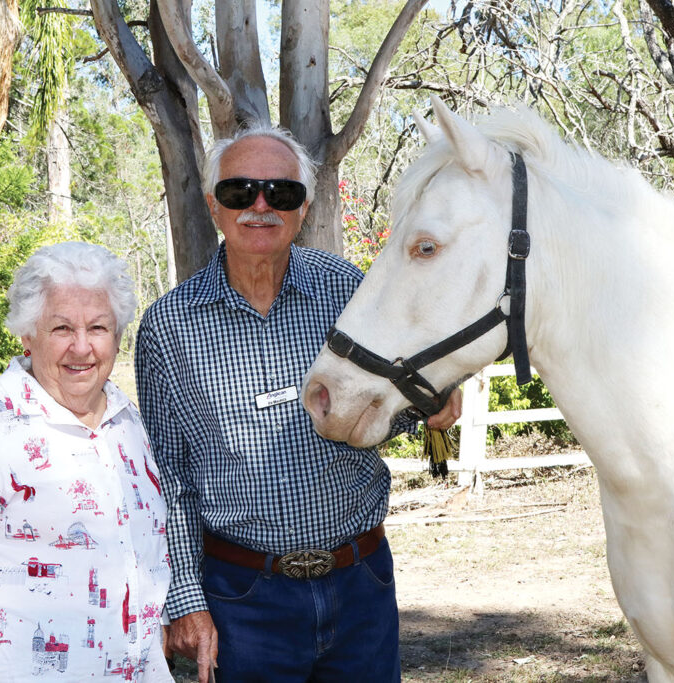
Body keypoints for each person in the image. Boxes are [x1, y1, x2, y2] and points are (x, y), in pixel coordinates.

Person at [134, 126, 460, 682]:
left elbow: (380, 411)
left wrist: (430, 405)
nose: (260, 206)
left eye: (280, 194)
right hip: (243, 597)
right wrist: (186, 601)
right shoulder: (168, 327)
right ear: (214, 205)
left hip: (361, 582)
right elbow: (171, 478)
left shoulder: (347, 291)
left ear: (303, 209)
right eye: (240, 192)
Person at [0, 242, 173, 683]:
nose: (82, 347)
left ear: (118, 335)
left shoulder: (128, 424)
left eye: (99, 327)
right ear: (27, 334)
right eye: (62, 327)